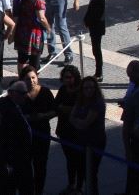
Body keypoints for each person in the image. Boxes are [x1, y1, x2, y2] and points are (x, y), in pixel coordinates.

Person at [20, 65, 56, 195]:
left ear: (37, 77)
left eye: (33, 77)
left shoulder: (45, 92)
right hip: (25, 136)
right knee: (25, 166)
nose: (31, 81)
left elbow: (54, 111)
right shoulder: (20, 95)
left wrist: (43, 116)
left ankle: (39, 190)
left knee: (40, 165)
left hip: (42, 134)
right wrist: (25, 118)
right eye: (27, 79)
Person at [70, 76, 106, 194]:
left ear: (96, 88)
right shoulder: (80, 100)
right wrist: (79, 123)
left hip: (95, 141)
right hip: (81, 140)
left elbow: (85, 123)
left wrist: (78, 122)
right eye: (86, 88)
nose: (89, 90)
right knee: (81, 169)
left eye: (91, 87)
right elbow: (71, 117)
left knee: (91, 172)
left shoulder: (97, 103)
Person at [14, 0, 52, 71]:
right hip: (34, 34)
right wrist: (48, 28)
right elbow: (41, 18)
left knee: (22, 59)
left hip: (21, 31)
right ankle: (33, 77)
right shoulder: (38, 0)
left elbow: (15, 15)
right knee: (34, 61)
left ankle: (21, 77)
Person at [54, 65, 82, 194]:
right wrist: (66, 109)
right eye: (65, 77)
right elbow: (55, 106)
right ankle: (71, 184)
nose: (67, 80)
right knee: (70, 160)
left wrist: (64, 108)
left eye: (70, 77)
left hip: (77, 132)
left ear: (75, 78)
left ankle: (79, 187)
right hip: (64, 130)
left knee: (78, 160)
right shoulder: (63, 89)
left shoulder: (80, 92)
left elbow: (79, 110)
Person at [122, 69, 139, 194]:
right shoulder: (135, 97)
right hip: (138, 147)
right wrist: (127, 150)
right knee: (133, 183)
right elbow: (126, 126)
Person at [83, 0, 106, 81]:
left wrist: (88, 22)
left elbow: (97, 13)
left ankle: (99, 73)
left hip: (96, 27)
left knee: (96, 50)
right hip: (95, 26)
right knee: (96, 50)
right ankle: (98, 73)